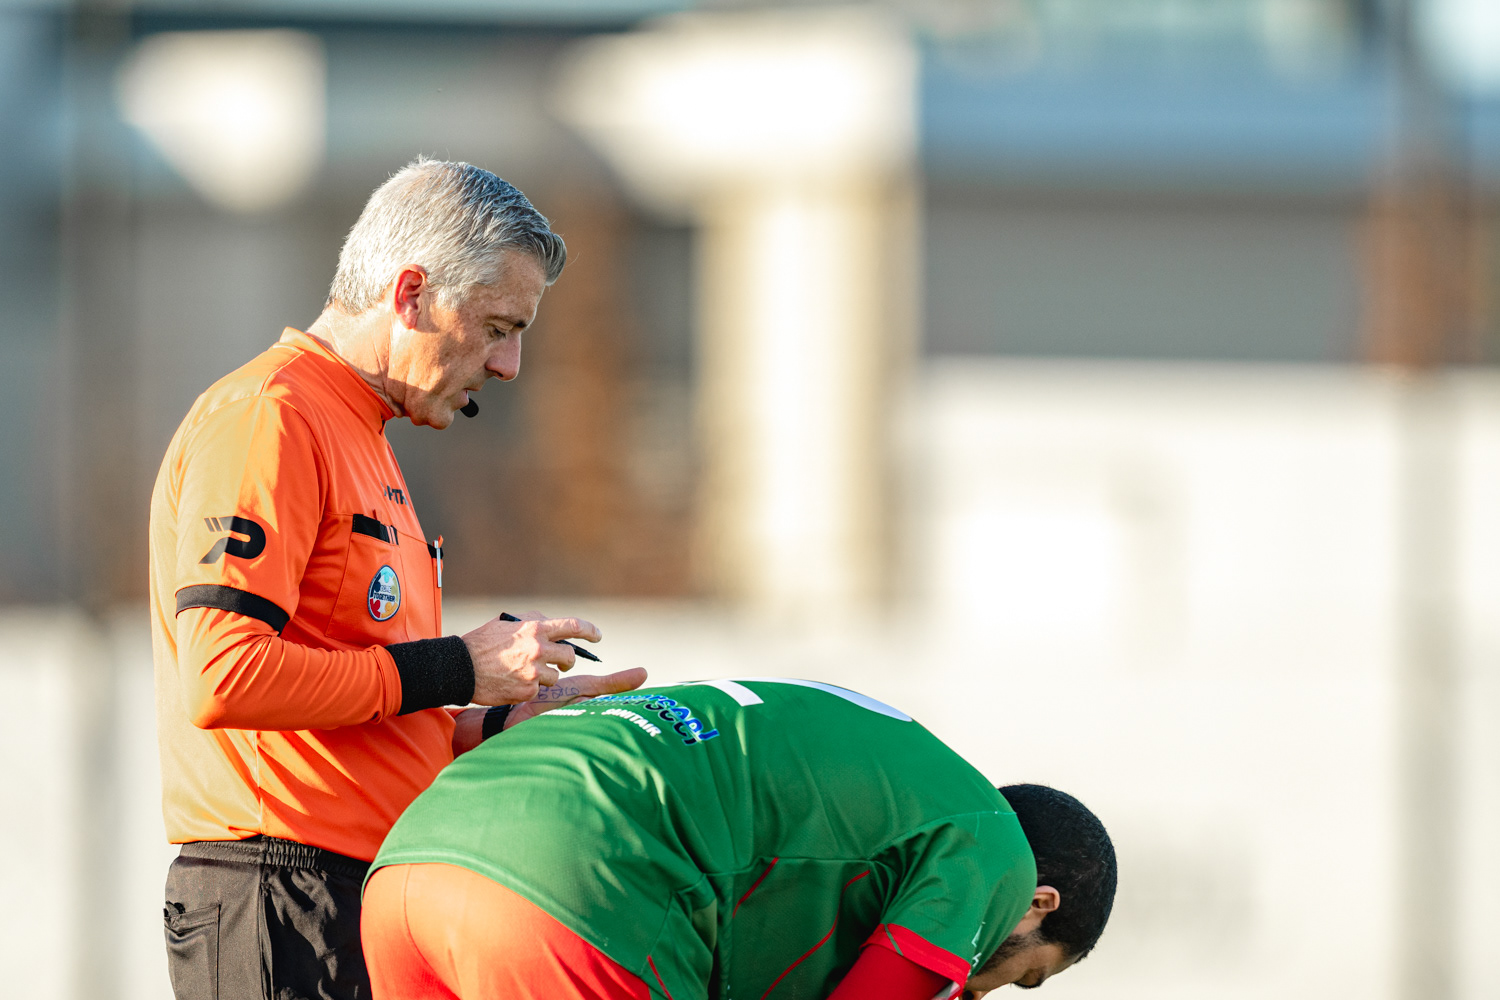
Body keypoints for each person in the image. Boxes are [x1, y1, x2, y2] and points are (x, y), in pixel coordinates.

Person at [149, 158, 646, 1000]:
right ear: (410, 294)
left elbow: (364, 706)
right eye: (498, 327)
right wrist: (458, 665)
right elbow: (224, 674)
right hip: (279, 891)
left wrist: (496, 723)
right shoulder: (272, 415)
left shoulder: (363, 435)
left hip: (355, 892)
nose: (509, 365)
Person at [363, 678, 1117, 1000]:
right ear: (1037, 903)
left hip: (413, 859)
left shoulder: (902, 781)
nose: (979, 988)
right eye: (1022, 977)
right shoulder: (996, 850)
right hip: (571, 887)